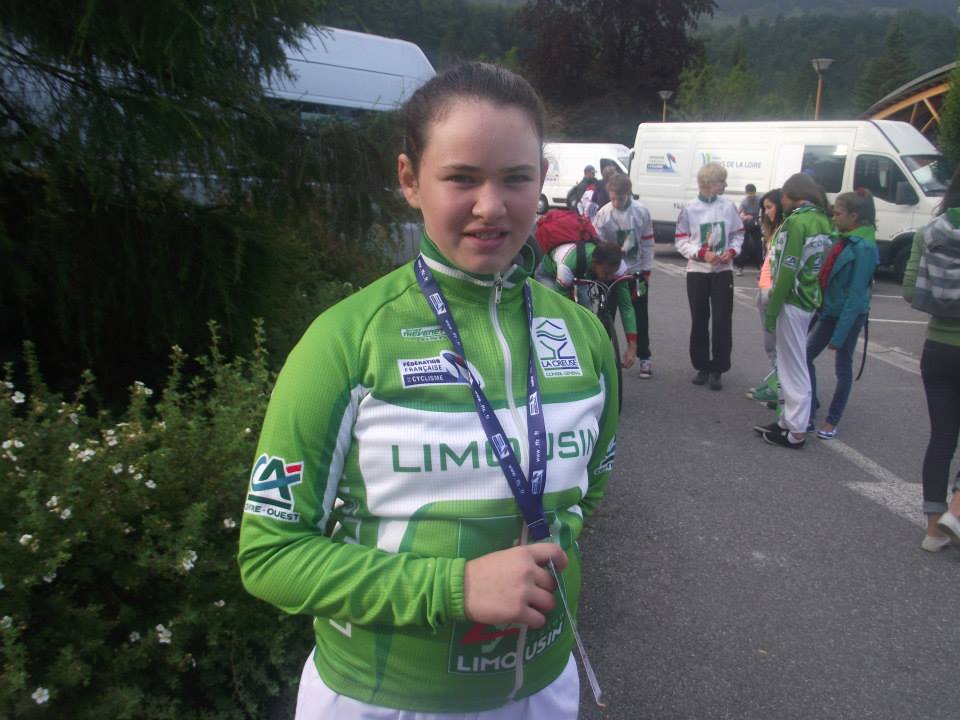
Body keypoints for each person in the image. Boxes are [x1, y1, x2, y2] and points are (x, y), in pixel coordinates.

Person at [237, 62, 619, 718]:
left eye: (516, 179)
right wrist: (454, 587)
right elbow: (270, 555)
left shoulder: (584, 338)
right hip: (381, 698)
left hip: (543, 691)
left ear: (544, 180)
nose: (491, 206)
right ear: (410, 180)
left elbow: (586, 495)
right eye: (462, 178)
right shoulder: (346, 340)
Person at [902, 167, 960, 552]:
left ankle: (933, 530)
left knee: (941, 438)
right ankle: (956, 512)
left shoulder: (930, 231)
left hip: (938, 346)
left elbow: (909, 290)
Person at [754, 173, 831, 449]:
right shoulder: (823, 220)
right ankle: (788, 421)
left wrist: (772, 311)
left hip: (791, 300)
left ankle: (796, 428)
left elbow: (785, 271)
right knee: (791, 362)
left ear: (793, 195)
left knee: (792, 365)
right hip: (809, 298)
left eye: (783, 196)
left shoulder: (795, 223)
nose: (781, 200)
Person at [806, 189, 878, 440]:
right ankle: (808, 410)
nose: (833, 218)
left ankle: (832, 420)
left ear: (854, 216)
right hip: (830, 310)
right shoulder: (843, 238)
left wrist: (839, 335)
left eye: (838, 213)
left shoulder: (864, 247)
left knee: (843, 367)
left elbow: (857, 295)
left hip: (848, 315)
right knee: (805, 356)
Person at [674, 162, 744, 390]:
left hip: (723, 272)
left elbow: (738, 235)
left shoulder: (729, 207)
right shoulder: (690, 209)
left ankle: (719, 368)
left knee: (723, 320)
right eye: (722, 181)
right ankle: (702, 366)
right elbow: (681, 241)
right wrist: (703, 254)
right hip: (697, 272)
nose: (725, 185)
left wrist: (731, 252)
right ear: (709, 184)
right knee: (700, 319)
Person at [535, 239, 638, 369]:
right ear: (595, 263)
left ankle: (588, 353)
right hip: (549, 274)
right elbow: (561, 307)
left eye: (613, 273)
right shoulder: (568, 266)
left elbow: (626, 306)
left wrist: (632, 347)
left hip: (583, 272)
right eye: (606, 273)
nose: (609, 277)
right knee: (556, 313)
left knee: (587, 315)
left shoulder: (618, 267)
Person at [593, 174, 656, 378]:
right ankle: (601, 357)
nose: (616, 202)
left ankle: (644, 357)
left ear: (628, 194)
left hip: (634, 270)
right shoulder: (604, 214)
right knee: (606, 314)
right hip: (611, 273)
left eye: (619, 199)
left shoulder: (640, 211)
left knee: (639, 315)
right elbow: (597, 244)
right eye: (612, 198)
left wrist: (646, 271)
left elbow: (647, 242)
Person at [746, 189, 783, 405]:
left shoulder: (785, 231)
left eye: (770, 207)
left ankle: (779, 387)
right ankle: (776, 383)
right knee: (771, 343)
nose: (766, 213)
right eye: (765, 208)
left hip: (772, 292)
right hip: (765, 289)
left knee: (776, 343)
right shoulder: (774, 230)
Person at [735, 183, 763, 275]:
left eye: (752, 194)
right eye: (749, 194)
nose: (750, 196)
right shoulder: (744, 202)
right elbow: (737, 214)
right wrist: (745, 217)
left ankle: (761, 268)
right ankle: (740, 268)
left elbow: (764, 211)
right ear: (746, 193)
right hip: (746, 225)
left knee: (759, 246)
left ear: (755, 192)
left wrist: (758, 218)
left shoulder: (760, 199)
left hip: (756, 224)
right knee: (744, 246)